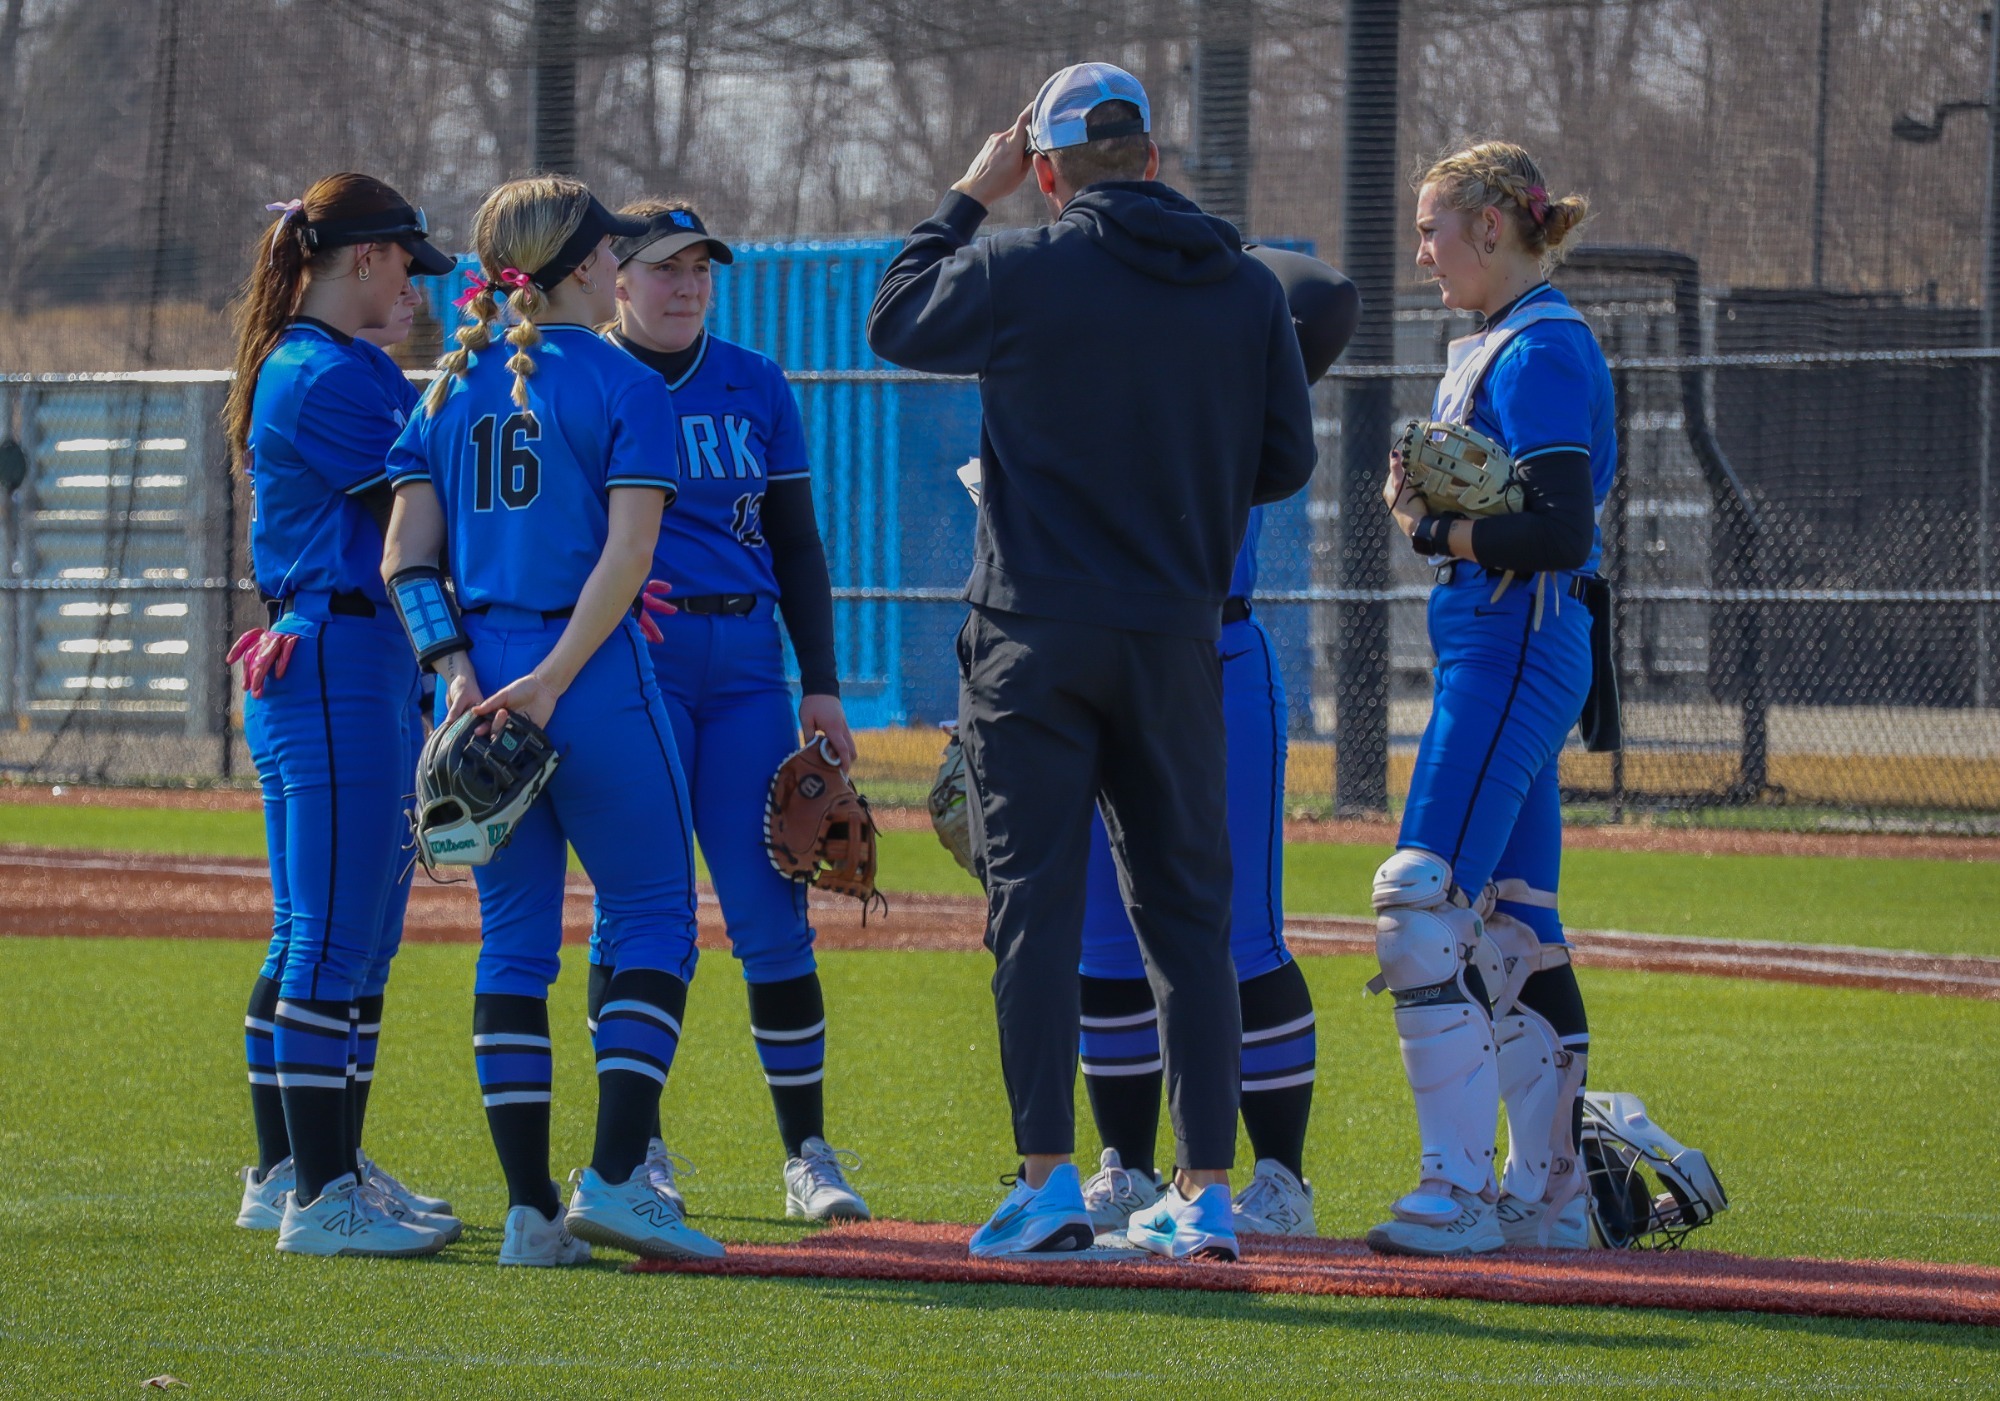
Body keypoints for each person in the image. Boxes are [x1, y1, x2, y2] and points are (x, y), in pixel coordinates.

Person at [867, 62, 1316, 1262]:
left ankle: (1048, 1183)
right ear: (1155, 158)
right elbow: (1284, 462)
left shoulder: (1023, 265)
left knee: (1036, 914)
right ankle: (1207, 1194)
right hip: (1176, 637)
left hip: (1032, 638)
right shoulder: (1243, 290)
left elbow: (894, 313)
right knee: (1190, 918)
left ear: (1050, 170)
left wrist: (970, 193)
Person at [381, 174, 722, 1266]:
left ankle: (530, 1213)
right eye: (612, 250)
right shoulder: (626, 384)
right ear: (584, 269)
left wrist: (457, 672)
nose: (621, 263)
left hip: (483, 683)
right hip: (592, 679)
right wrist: (557, 677)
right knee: (657, 918)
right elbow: (628, 557)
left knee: (515, 944)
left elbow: (404, 560)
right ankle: (618, 1179)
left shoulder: (446, 387)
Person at [587, 198, 869, 1222]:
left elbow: (796, 541)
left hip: (748, 663)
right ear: (616, 279)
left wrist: (823, 680)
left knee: (770, 912)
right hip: (637, 664)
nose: (686, 285)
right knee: (637, 911)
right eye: (663, 268)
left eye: (700, 268)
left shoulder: (753, 379)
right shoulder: (589, 374)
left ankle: (807, 1155)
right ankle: (637, 1150)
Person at [1077, 248, 1357, 1240]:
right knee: (1103, 937)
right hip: (1088, 661)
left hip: (1211, 655)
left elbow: (1320, 294)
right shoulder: (1074, 355)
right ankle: (1123, 1169)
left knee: (1236, 938)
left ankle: (1277, 1177)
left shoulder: (1227, 353)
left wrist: (1202, 265)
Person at [1366, 141, 1606, 1256]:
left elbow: (1560, 529)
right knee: (1513, 923)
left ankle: (1454, 1193)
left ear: (1495, 227)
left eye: (1433, 229)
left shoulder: (1543, 348)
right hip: (1497, 639)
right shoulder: (1497, 342)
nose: (1424, 251)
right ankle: (1552, 1198)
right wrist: (1438, 526)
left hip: (1516, 638)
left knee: (1421, 900)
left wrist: (1431, 527)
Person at [223, 173, 461, 1257]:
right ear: (365, 258)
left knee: (338, 940)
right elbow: (420, 516)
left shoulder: (338, 363)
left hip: (340, 651)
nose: (416, 287)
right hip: (338, 655)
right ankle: (319, 1196)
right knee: (332, 939)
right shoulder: (322, 374)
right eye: (408, 264)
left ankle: (299, 1171)